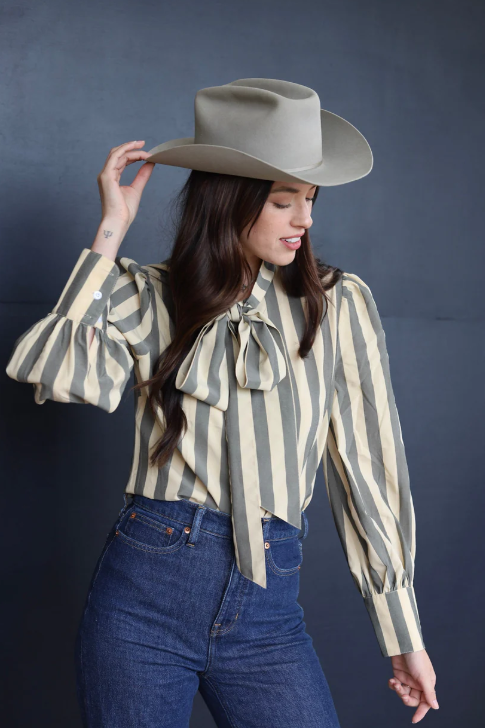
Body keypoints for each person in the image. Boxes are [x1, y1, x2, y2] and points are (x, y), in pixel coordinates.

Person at [5, 78, 438, 726]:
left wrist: (402, 632)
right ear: (228, 200)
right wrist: (109, 233)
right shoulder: (148, 294)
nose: (305, 220)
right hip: (143, 599)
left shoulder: (336, 303)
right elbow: (56, 374)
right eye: (283, 201)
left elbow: (367, 471)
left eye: (310, 200)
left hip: (267, 614)